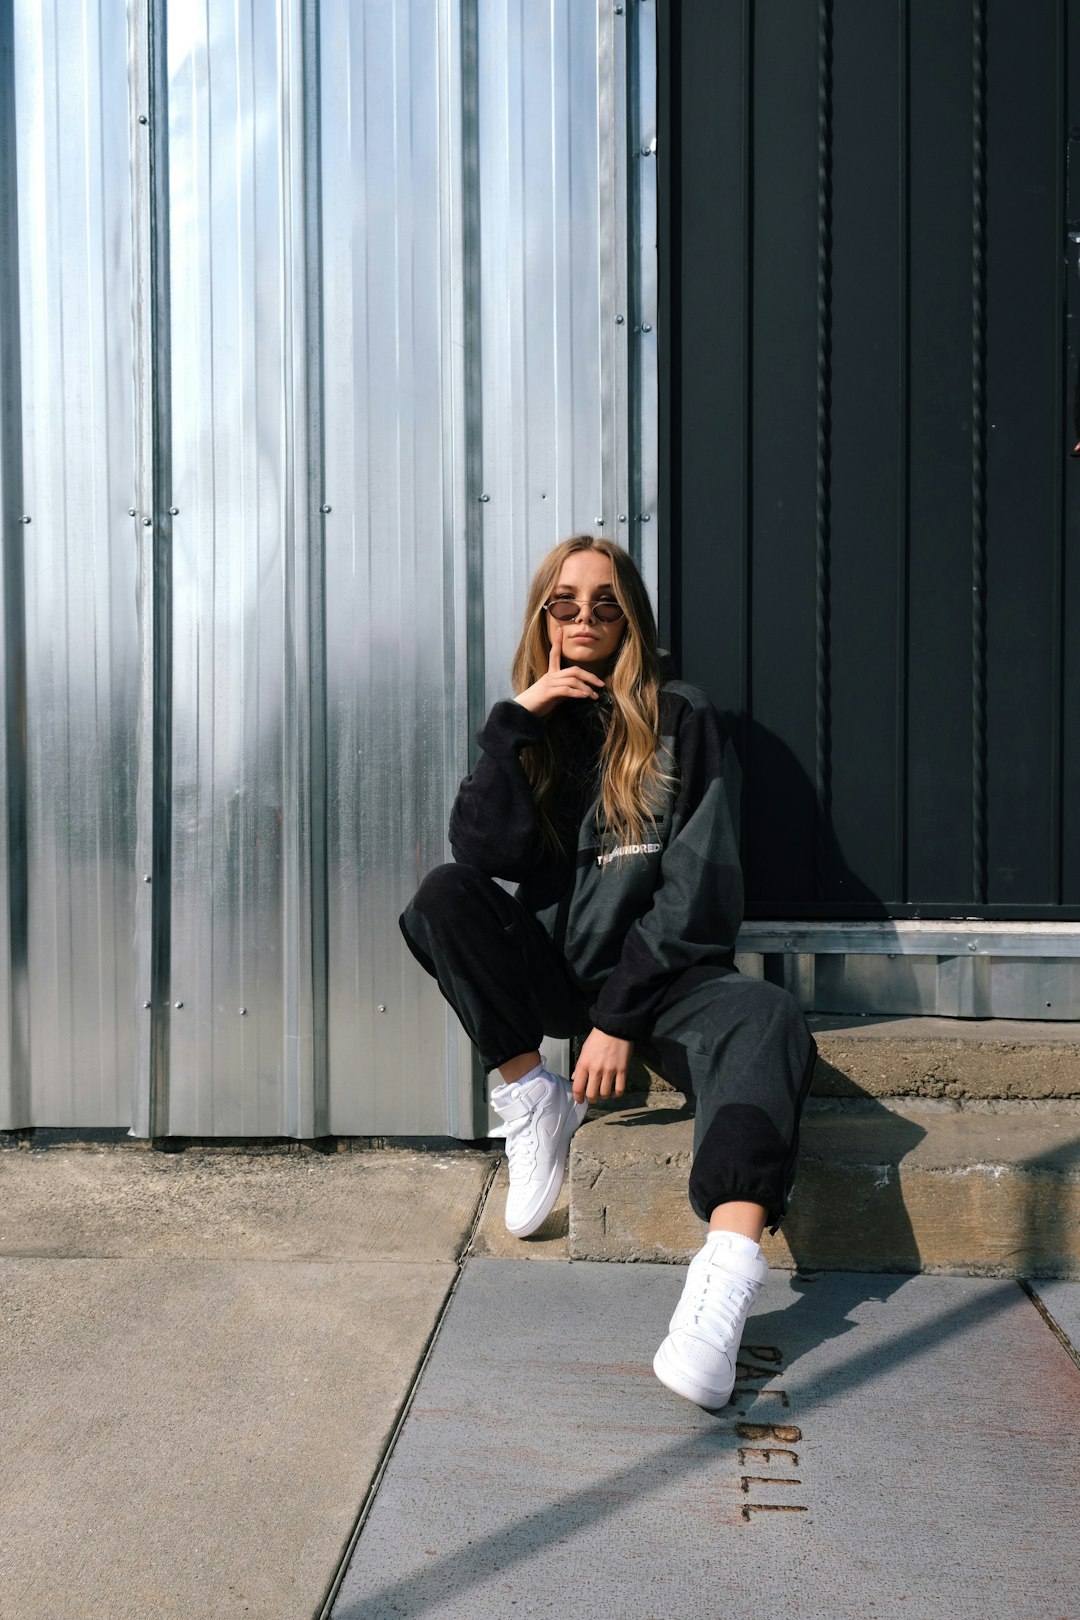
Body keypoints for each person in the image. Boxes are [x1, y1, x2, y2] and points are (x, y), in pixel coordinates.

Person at [399, 535, 817, 1411]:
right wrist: (516, 723)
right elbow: (483, 853)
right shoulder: (534, 728)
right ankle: (532, 1095)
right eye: (564, 601)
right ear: (543, 617)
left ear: (632, 618)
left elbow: (697, 889)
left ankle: (725, 1280)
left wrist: (621, 1018)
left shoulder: (679, 718)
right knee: (443, 896)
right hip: (560, 979)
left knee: (770, 1017)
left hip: (667, 986)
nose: (583, 617)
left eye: (604, 602)